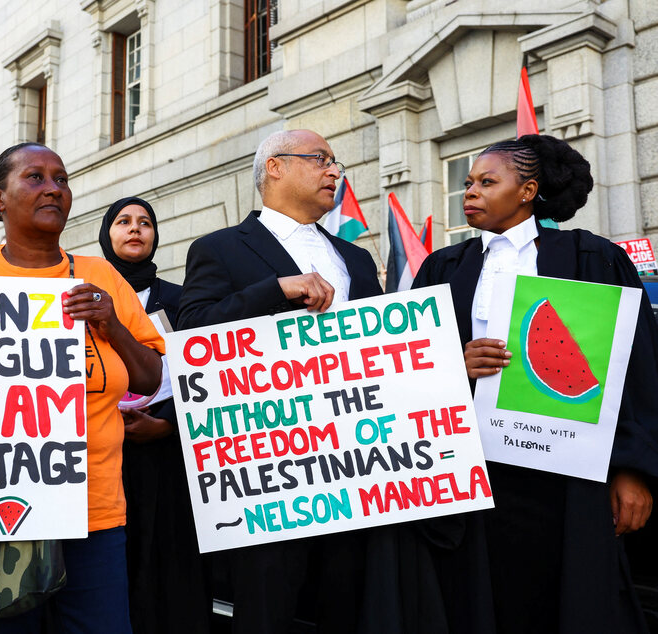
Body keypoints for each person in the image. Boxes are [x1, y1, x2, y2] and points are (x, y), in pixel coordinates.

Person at [178, 129, 425, 633]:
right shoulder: (220, 248)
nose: (335, 171)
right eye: (320, 159)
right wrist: (277, 289)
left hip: (356, 464)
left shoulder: (354, 258)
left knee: (346, 604)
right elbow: (192, 329)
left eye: (335, 162)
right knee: (266, 607)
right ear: (275, 167)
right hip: (269, 472)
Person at [413, 134, 658, 633]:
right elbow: (406, 364)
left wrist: (634, 470)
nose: (470, 193)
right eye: (467, 183)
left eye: (487, 182)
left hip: (567, 474)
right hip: (470, 471)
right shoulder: (442, 267)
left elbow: (638, 369)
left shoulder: (593, 258)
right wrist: (453, 363)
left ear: (527, 191)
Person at [0, 143, 164, 633]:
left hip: (95, 511)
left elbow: (149, 379)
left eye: (61, 179)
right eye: (35, 178)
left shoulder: (101, 275)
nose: (53, 189)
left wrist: (112, 325)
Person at [99, 196, 210, 633]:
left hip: (168, 458)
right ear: (107, 234)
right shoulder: (84, 295)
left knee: (170, 574)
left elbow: (206, 374)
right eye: (123, 221)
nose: (135, 229)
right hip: (103, 458)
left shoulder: (183, 301)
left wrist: (166, 422)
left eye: (145, 222)